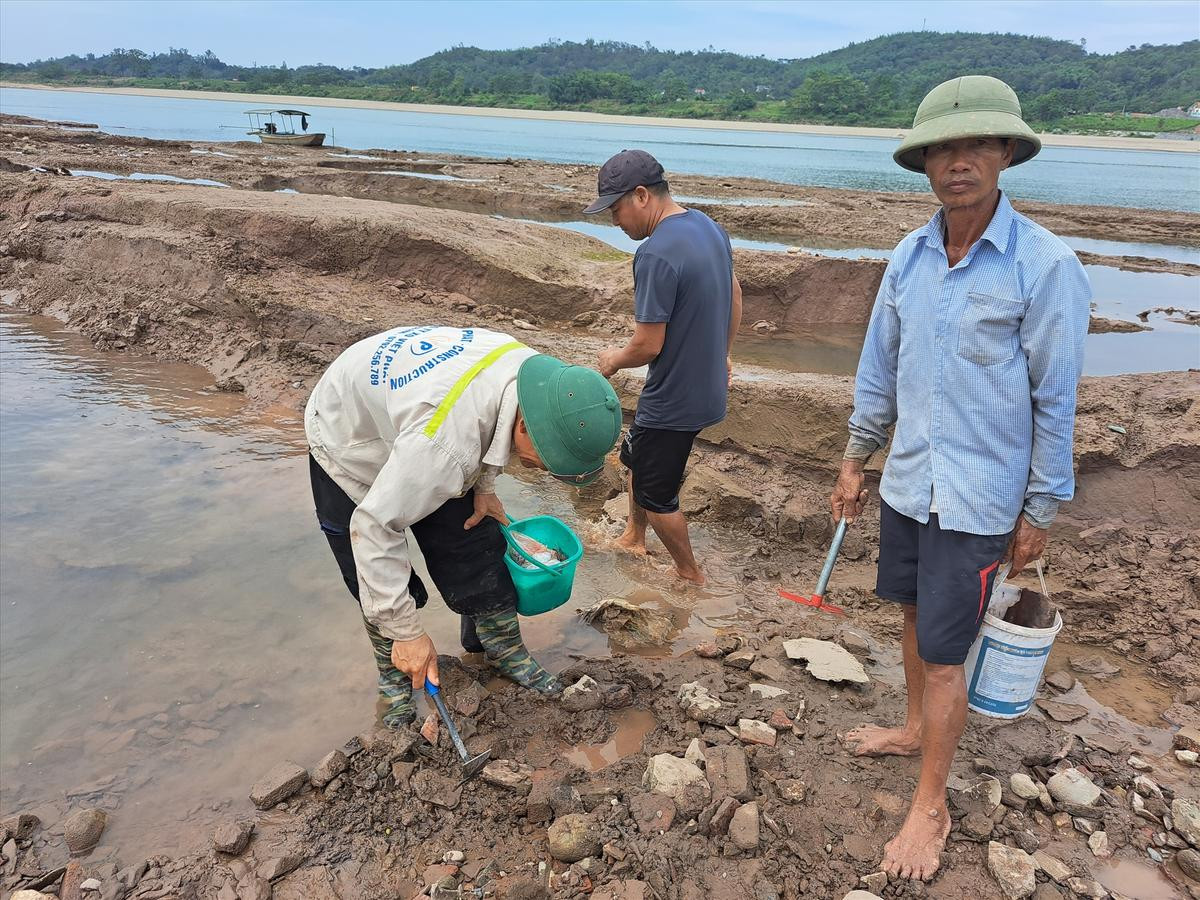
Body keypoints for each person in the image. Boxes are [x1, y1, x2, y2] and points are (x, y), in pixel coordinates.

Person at [830, 76, 1090, 881]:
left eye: (976, 144)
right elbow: (880, 370)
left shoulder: (1044, 266)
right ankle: (912, 727)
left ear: (1007, 152)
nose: (958, 162)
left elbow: (1057, 396)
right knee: (911, 615)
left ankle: (930, 805)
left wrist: (1041, 505)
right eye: (942, 147)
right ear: (924, 163)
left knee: (948, 655)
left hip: (979, 502)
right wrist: (855, 458)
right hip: (910, 485)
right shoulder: (908, 258)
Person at [306, 325, 622, 729]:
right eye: (546, 460)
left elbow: (491, 427)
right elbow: (371, 529)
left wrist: (485, 487)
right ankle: (394, 678)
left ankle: (503, 650)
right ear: (526, 426)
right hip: (347, 433)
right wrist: (406, 632)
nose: (541, 469)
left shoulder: (540, 383)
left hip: (421, 418)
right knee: (370, 572)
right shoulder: (444, 447)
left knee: (473, 544)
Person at [586, 149, 743, 586]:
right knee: (636, 457)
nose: (615, 221)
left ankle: (689, 575)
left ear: (640, 196)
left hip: (676, 398)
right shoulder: (709, 227)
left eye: (615, 210)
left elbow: (647, 345)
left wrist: (612, 361)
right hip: (702, 387)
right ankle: (633, 536)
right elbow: (734, 293)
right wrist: (724, 353)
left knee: (657, 494)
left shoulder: (655, 254)